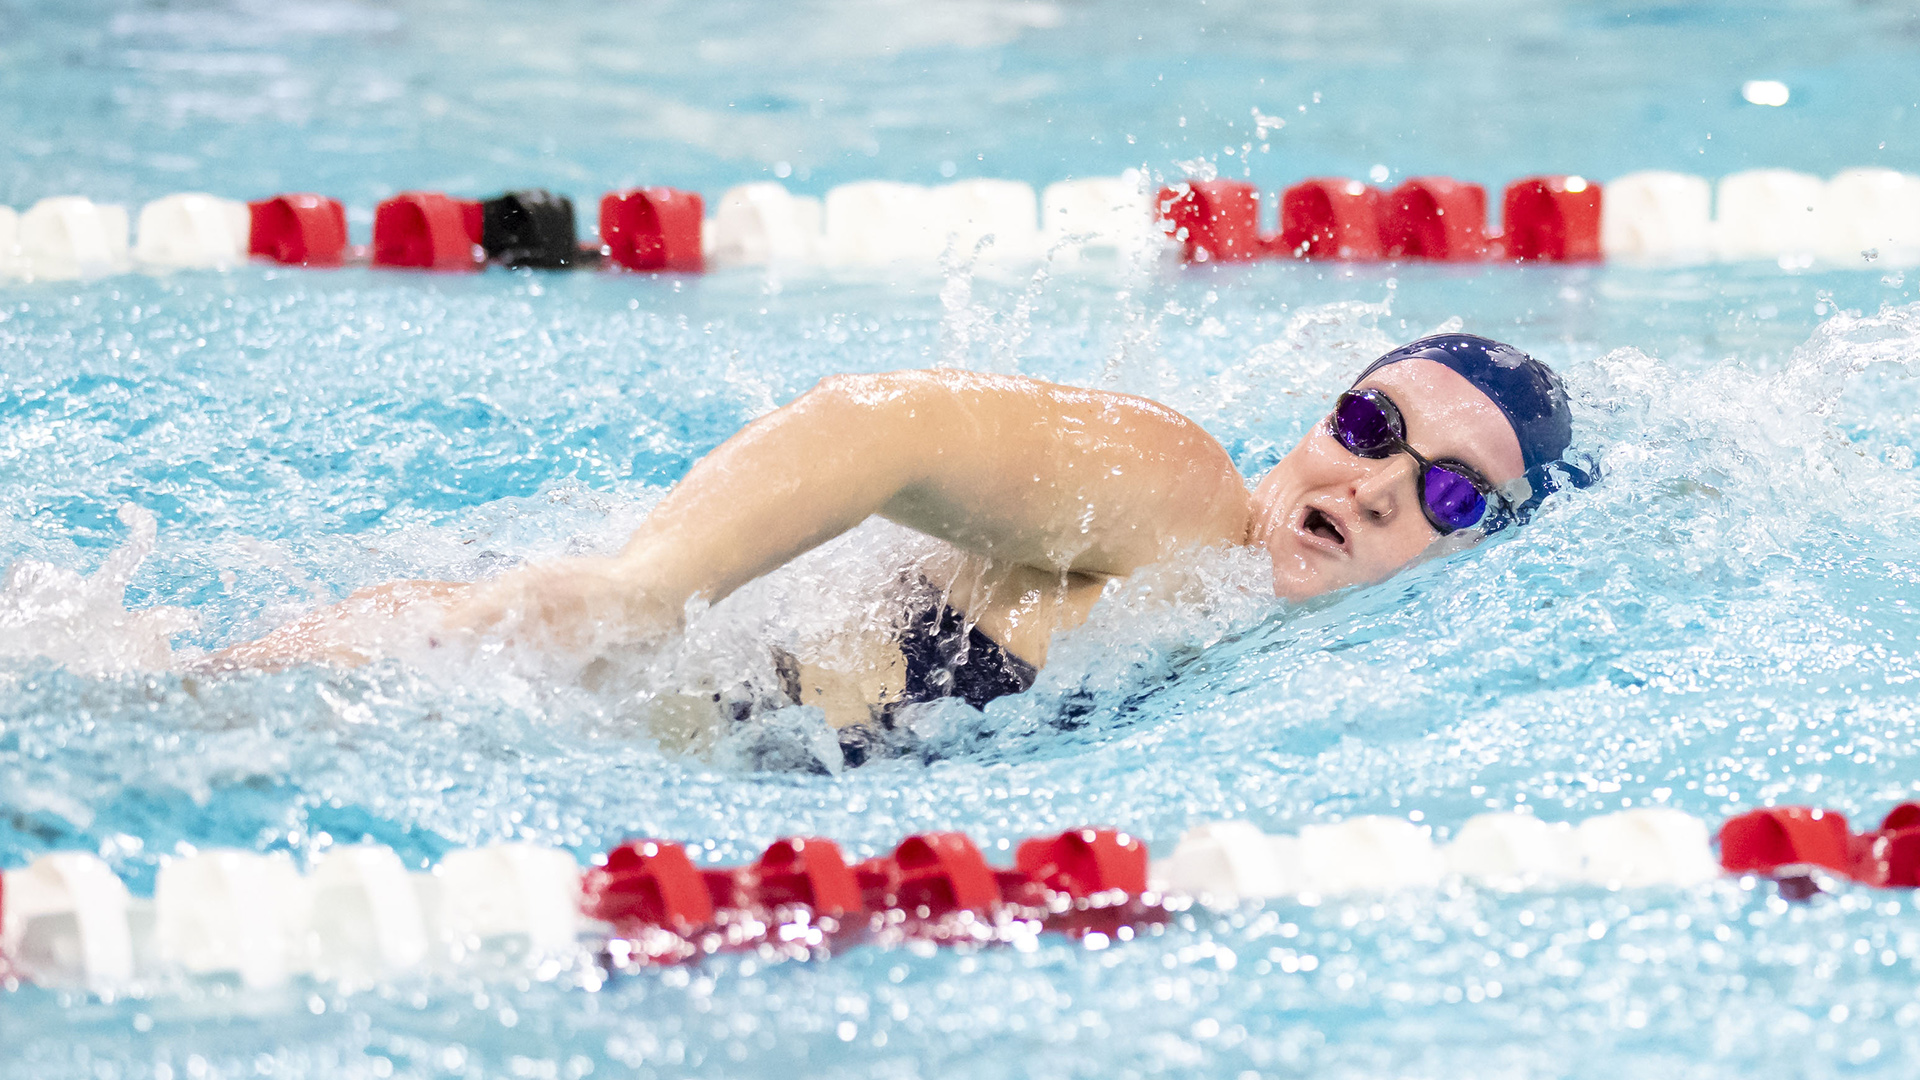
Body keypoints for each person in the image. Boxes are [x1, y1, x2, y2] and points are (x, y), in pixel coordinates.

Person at [206, 333, 1580, 742]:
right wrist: (639, 591)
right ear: (1312, 424)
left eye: (1455, 495)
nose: (1388, 483)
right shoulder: (1181, 501)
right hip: (505, 684)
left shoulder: (1254, 635)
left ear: (1474, 553)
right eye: (1369, 422)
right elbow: (888, 420)